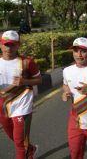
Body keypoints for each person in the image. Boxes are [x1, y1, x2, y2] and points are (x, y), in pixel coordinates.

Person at [0, 30, 41, 159]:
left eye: (12, 44)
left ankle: (25, 150)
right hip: (3, 105)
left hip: (21, 104)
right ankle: (31, 149)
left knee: (19, 143)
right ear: (0, 44)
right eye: (6, 44)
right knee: (14, 137)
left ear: (18, 45)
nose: (9, 48)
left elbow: (39, 80)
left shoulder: (27, 62)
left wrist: (24, 81)